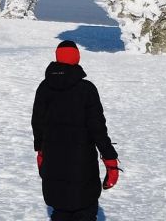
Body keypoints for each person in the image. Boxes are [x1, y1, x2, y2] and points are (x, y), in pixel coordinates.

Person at [31, 40, 120, 221]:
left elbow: (37, 124)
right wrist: (110, 160)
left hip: (53, 163)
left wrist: (41, 152)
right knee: (84, 212)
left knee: (60, 211)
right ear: (76, 58)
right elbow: (98, 129)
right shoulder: (86, 89)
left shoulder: (44, 88)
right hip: (82, 165)